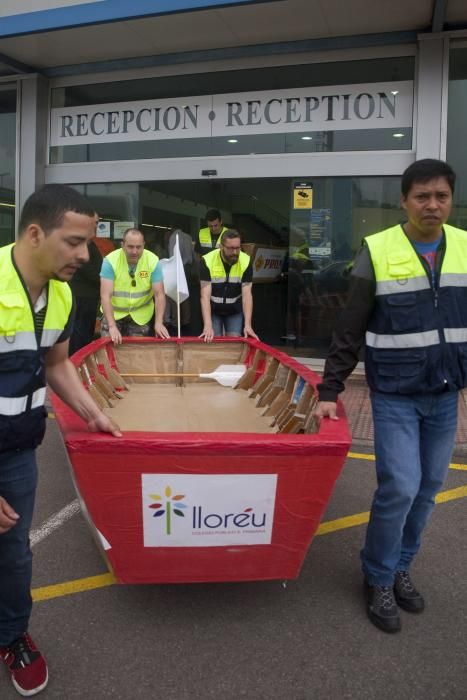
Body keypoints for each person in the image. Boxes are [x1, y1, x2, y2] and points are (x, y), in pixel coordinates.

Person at [314, 159, 465, 634]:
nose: (432, 205)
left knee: (427, 489)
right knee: (400, 486)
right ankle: (377, 577)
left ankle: (401, 567)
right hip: (396, 393)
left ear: (451, 199)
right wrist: (330, 387)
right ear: (404, 201)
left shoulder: (463, 246)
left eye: (441, 196)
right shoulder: (377, 250)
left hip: (445, 394)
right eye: (422, 196)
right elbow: (350, 325)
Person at [0, 184, 121, 697]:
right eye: (74, 242)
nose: (84, 255)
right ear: (34, 232)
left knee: (14, 554)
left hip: (19, 450)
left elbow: (56, 365)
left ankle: (12, 637)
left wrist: (95, 414)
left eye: (88, 243)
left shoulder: (64, 293)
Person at [100, 228, 170, 344]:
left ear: (144, 245)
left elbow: (159, 294)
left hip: (140, 316)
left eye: (138, 247)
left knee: (137, 355)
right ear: (122, 245)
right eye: (130, 247)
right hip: (113, 314)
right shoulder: (110, 261)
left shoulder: (153, 261)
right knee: (109, 352)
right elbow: (105, 296)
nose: (134, 251)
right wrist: (112, 326)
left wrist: (158, 323)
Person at [199, 229, 258, 342]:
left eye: (237, 248)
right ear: (221, 247)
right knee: (212, 342)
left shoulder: (246, 261)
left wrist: (248, 325)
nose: (235, 252)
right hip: (213, 310)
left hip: (234, 310)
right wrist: (207, 325)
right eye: (231, 248)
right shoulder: (207, 261)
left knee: (234, 343)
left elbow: (247, 296)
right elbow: (205, 297)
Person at [68, 216, 103, 355]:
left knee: (84, 331)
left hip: (87, 295)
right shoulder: (81, 243)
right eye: (94, 223)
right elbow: (86, 268)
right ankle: (78, 361)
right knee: (79, 333)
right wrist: (103, 280)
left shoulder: (88, 242)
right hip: (82, 296)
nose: (96, 227)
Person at [164, 227, 195, 334]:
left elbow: (172, 255)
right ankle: (186, 320)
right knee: (185, 293)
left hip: (177, 267)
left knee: (175, 294)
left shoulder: (174, 237)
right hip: (187, 268)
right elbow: (193, 254)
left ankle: (175, 322)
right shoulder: (188, 237)